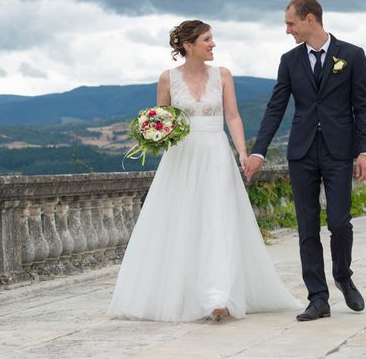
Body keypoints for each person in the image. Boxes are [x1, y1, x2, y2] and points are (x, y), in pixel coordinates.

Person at [108, 20, 300, 322]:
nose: (213, 45)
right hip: (182, 157)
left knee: (217, 220)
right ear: (188, 45)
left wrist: (242, 152)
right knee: (183, 221)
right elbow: (163, 120)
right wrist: (153, 133)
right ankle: (184, 292)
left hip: (215, 154)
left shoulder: (222, 76)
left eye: (213, 39)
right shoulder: (167, 79)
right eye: (207, 40)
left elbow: (233, 117)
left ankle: (218, 296)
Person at [245, 0, 366, 322]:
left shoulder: (352, 56)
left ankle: (343, 275)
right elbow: (276, 107)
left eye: (291, 23)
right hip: (301, 152)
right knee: (306, 227)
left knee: (339, 222)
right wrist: (258, 150)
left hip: (338, 151)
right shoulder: (289, 60)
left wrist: (365, 150)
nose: (288, 30)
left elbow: (363, 106)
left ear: (310, 20)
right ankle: (318, 298)